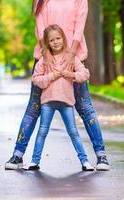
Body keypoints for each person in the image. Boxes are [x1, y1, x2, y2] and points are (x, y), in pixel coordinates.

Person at [5, 0, 109, 171]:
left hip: (74, 57)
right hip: (45, 59)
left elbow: (80, 23)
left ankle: (101, 155)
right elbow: (40, 25)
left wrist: (71, 53)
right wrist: (45, 53)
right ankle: (18, 155)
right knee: (34, 108)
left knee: (85, 107)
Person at [28, 24, 93, 171]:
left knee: (73, 132)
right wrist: (51, 76)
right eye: (51, 40)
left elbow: (85, 74)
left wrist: (72, 75)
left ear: (63, 39)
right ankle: (34, 161)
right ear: (47, 43)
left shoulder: (70, 58)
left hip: (66, 103)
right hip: (48, 103)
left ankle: (85, 161)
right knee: (42, 131)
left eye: (58, 38)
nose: (56, 42)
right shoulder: (44, 61)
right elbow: (36, 79)